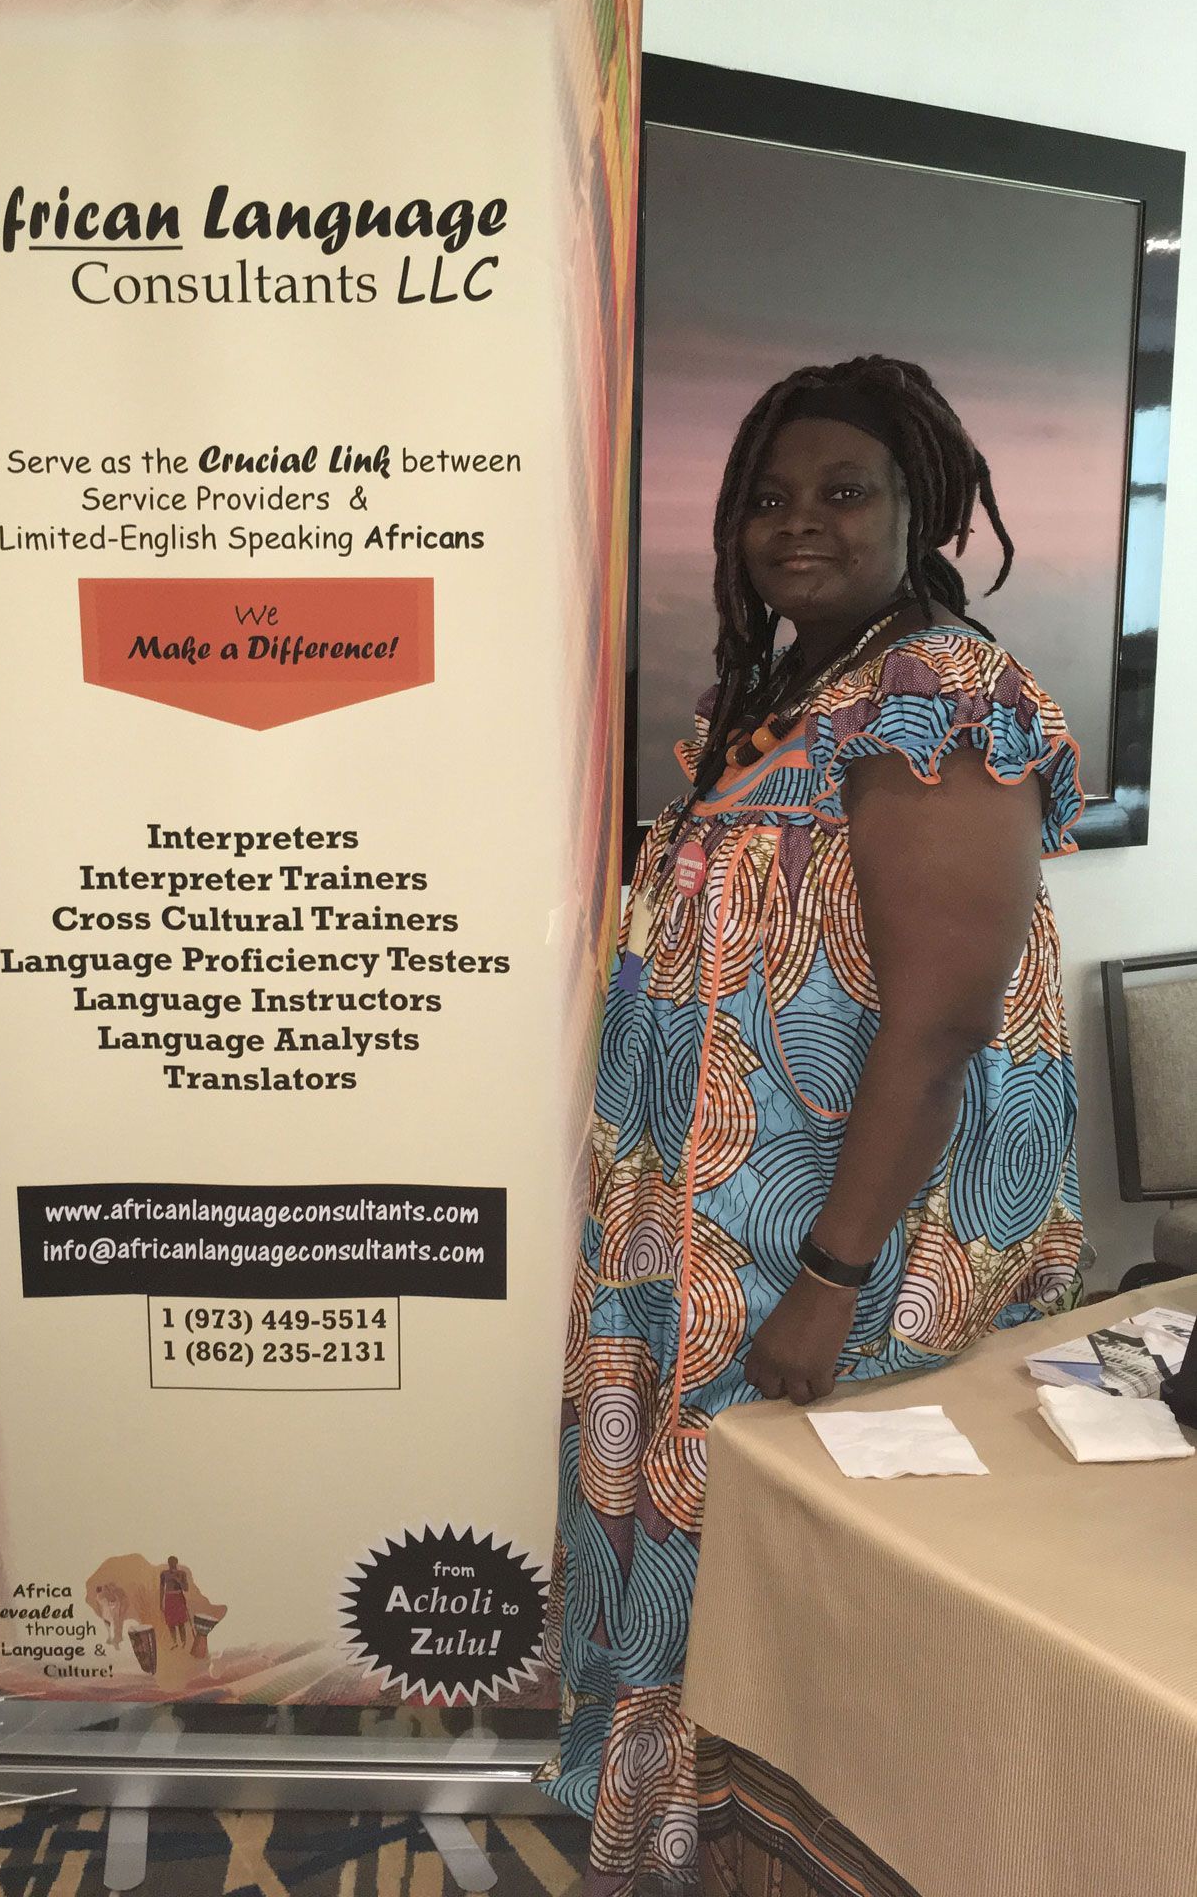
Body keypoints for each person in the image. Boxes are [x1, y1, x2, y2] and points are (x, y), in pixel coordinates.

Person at [541, 357, 1084, 1890]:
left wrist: (830, 1282)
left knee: (782, 1595)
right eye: (769, 498)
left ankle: (757, 1859)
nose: (799, 523)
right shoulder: (778, 700)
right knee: (704, 1555)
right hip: (697, 1217)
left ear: (921, 513)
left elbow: (946, 1018)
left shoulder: (942, 698)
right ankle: (672, 1841)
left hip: (815, 1234)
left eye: (844, 491)